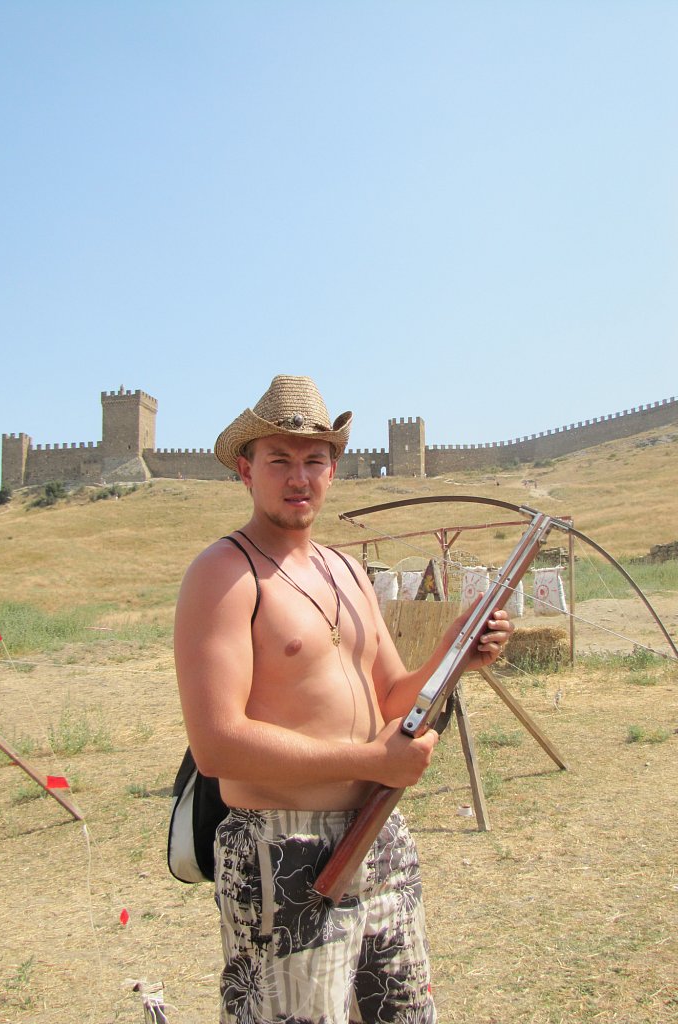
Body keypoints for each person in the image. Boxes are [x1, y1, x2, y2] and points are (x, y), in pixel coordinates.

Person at [174, 374, 514, 1024]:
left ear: (333, 470)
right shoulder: (223, 573)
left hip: (378, 833)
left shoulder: (348, 572)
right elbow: (218, 744)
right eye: (279, 460)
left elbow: (390, 695)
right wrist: (370, 761)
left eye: (314, 460)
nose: (298, 477)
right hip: (280, 848)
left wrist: (453, 656)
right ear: (246, 470)